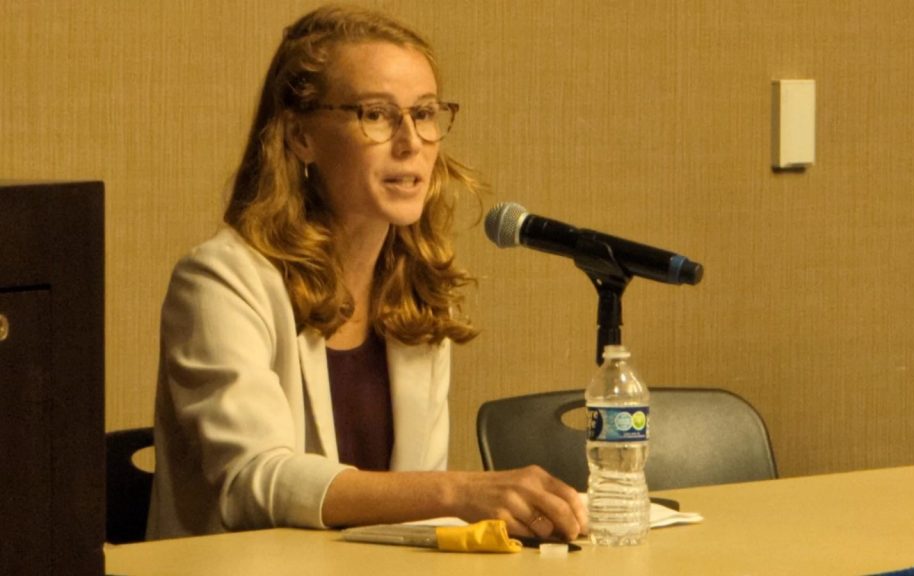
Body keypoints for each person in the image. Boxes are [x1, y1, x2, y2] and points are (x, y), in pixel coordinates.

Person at [146, 4, 586, 541]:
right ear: (300, 136)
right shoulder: (220, 280)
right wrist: (459, 490)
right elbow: (252, 483)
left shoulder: (416, 289)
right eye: (376, 115)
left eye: (424, 113)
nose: (411, 141)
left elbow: (411, 521)